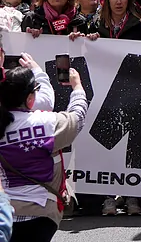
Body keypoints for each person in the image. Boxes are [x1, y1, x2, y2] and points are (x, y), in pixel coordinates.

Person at [0, 57, 87, 237]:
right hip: (41, 212)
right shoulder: (45, 123)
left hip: (5, 213)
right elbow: (77, 117)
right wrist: (77, 87)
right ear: (30, 98)